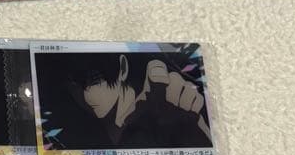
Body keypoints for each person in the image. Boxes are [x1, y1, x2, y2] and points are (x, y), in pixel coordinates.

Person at [62, 52, 213, 149]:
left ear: (123, 68)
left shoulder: (164, 107)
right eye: (76, 85)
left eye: (95, 81)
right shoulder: (81, 133)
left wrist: (198, 129)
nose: (86, 96)